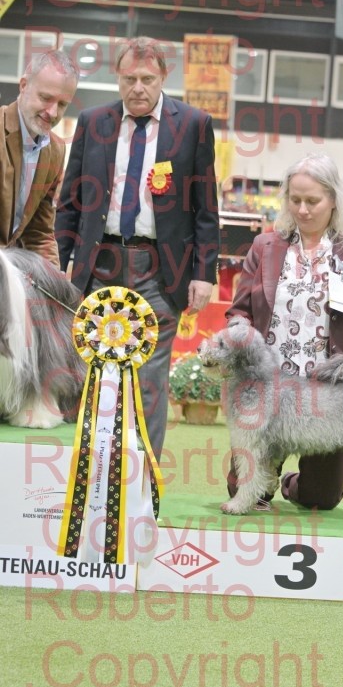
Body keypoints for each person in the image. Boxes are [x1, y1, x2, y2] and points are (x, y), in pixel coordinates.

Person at [55, 37, 220, 460]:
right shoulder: (92, 121)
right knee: (95, 373)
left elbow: (206, 208)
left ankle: (143, 482)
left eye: (147, 79)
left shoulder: (195, 124)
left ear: (163, 76)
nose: (138, 88)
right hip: (99, 265)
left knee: (149, 381)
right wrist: (62, 260)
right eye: (129, 79)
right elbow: (70, 200)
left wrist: (204, 273)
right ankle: (95, 476)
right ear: (118, 77)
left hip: (161, 270)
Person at [225, 152, 343, 511]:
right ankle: (264, 477)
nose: (302, 209)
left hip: (327, 398)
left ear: (334, 199)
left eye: (312, 201)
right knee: (241, 489)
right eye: (295, 199)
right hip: (268, 394)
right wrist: (238, 334)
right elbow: (239, 311)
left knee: (321, 498)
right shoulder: (264, 247)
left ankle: (289, 481)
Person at [0, 50, 79, 266]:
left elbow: (39, 232)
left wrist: (55, 281)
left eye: (62, 105)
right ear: (23, 86)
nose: (52, 112)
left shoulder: (56, 150)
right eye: (45, 98)